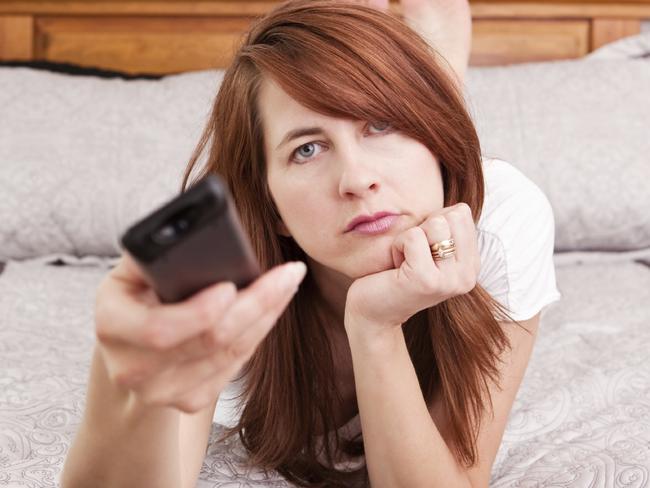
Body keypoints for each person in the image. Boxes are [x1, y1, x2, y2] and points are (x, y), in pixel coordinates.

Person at [60, 1, 561, 487]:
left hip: (454, 177)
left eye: (381, 124)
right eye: (307, 149)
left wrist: (373, 332)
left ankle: (415, 82)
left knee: (434, 160)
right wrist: (119, 388)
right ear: (271, 206)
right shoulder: (224, 263)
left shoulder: (501, 219)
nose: (357, 179)